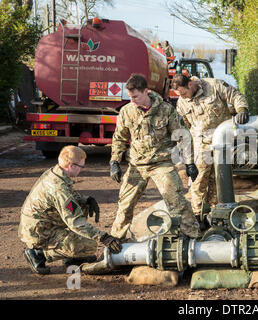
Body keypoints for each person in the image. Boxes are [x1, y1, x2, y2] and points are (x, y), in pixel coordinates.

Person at [109, 73, 200, 240]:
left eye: (135, 96)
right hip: (137, 164)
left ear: (146, 91)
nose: (132, 100)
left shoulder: (166, 110)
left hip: (161, 163)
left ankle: (193, 236)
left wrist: (189, 163)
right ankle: (116, 241)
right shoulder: (127, 112)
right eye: (130, 97)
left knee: (176, 201)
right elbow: (119, 138)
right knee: (125, 204)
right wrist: (114, 161)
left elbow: (183, 136)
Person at [18, 145, 122, 275]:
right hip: (38, 232)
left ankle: (71, 255)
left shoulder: (56, 172)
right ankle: (39, 254)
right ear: (71, 166)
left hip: (42, 223)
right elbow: (76, 222)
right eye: (81, 166)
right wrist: (104, 237)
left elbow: (69, 197)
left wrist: (86, 200)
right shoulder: (58, 188)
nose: (82, 170)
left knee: (82, 206)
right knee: (89, 245)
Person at [171, 74, 249, 217]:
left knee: (219, 179)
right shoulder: (182, 103)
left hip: (223, 142)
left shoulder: (214, 85)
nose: (182, 97)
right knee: (199, 180)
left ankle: (215, 213)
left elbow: (236, 96)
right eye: (179, 95)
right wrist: (188, 160)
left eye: (183, 93)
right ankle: (198, 215)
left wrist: (242, 110)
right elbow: (185, 129)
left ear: (190, 84)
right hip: (201, 145)